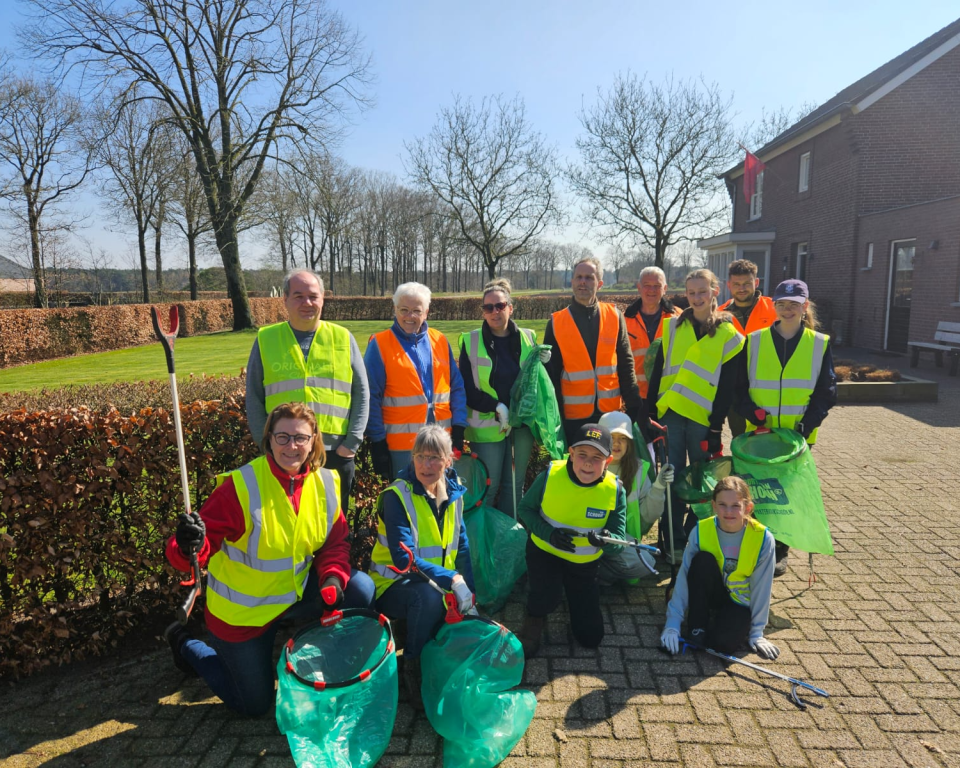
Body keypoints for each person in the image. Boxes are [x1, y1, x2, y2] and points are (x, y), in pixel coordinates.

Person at [163, 402, 377, 717]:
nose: (292, 446)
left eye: (301, 438)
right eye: (283, 437)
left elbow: (335, 543)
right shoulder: (241, 487)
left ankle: (332, 666)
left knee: (359, 587)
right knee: (253, 706)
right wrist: (185, 546)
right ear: (269, 440)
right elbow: (193, 553)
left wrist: (332, 578)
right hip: (243, 616)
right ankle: (185, 644)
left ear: (313, 441)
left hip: (293, 596)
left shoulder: (326, 483)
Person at [367, 424, 475, 710]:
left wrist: (471, 591)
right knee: (427, 599)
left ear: (448, 461)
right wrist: (453, 579)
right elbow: (404, 560)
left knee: (445, 612)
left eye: (434, 458)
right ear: (412, 458)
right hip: (392, 584)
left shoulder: (453, 492)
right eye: (420, 457)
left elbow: (462, 545)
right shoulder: (397, 496)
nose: (426, 465)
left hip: (434, 581)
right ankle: (412, 666)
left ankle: (424, 641)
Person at [735, 279, 837, 576]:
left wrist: (807, 424)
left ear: (805, 307)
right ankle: (758, 544)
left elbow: (827, 391)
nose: (787, 309)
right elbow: (738, 387)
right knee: (759, 492)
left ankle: (780, 549)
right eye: (781, 304)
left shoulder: (819, 343)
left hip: (797, 436)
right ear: (773, 306)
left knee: (786, 495)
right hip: (759, 435)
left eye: (794, 304)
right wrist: (752, 413)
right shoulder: (753, 341)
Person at [246, 269, 369, 513]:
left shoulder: (342, 338)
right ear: (285, 299)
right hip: (285, 452)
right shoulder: (266, 339)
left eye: (313, 296)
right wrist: (267, 445)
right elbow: (254, 397)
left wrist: (351, 443)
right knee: (286, 520)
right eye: (298, 296)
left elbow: (362, 392)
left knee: (334, 524)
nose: (307, 303)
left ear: (323, 299)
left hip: (335, 452)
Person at [646, 269, 744, 561]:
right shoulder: (672, 327)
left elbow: (726, 388)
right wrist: (650, 411)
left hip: (704, 419)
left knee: (703, 484)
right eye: (692, 292)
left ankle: (697, 537)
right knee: (672, 479)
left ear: (715, 292)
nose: (697, 297)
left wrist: (715, 428)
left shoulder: (729, 335)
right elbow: (658, 372)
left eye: (703, 291)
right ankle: (672, 542)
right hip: (672, 414)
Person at [515, 423, 627, 657]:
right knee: (544, 598)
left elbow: (618, 541)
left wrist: (607, 540)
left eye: (597, 458)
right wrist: (549, 534)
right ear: (571, 453)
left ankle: (567, 599)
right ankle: (535, 616)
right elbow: (525, 510)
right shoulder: (550, 475)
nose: (588, 463)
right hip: (545, 552)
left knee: (591, 637)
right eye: (582, 454)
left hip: (583, 564)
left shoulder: (615, 489)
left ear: (608, 461)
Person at [660, 476, 780, 661]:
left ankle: (721, 622)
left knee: (723, 645)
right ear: (714, 505)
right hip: (709, 594)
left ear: (748, 507)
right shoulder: (700, 530)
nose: (728, 511)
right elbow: (684, 576)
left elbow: (761, 587)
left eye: (735, 505)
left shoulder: (763, 538)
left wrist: (757, 632)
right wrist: (672, 624)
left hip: (738, 600)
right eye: (722, 505)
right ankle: (698, 625)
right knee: (702, 561)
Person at [458, 278, 550, 514]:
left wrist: (543, 363)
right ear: (483, 311)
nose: (494, 312)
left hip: (521, 424)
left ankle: (509, 533)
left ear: (510, 307)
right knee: (487, 488)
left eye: (499, 306)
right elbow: (466, 389)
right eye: (488, 307)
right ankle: (481, 535)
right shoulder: (471, 341)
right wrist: (497, 406)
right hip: (487, 426)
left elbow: (535, 382)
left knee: (514, 486)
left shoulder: (528, 337)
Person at [364, 282, 468, 479]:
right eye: (404, 310)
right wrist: (377, 442)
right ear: (395, 309)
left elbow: (456, 387)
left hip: (441, 441)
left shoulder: (440, 340)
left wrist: (459, 427)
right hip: (402, 447)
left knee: (440, 494)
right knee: (406, 497)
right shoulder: (379, 344)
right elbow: (370, 397)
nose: (409, 316)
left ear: (426, 312)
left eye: (416, 311)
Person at [543, 256, 648, 446]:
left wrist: (634, 405)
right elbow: (551, 377)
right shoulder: (557, 322)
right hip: (573, 418)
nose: (583, 282)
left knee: (611, 463)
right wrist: (556, 415)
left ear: (599, 283)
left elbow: (626, 363)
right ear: (572, 281)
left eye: (589, 277)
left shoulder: (614, 316)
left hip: (610, 415)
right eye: (579, 277)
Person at [595, 411, 674, 585]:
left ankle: (600, 571)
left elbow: (647, 517)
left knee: (646, 562)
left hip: (616, 538)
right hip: (585, 533)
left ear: (630, 443)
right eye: (612, 437)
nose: (617, 443)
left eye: (622, 438)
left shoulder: (638, 470)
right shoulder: (587, 463)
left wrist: (659, 487)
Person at [717, 260, 777, 439]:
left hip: (767, 386)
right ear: (729, 285)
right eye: (736, 284)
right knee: (740, 439)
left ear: (756, 282)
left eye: (746, 283)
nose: (741, 288)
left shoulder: (774, 309)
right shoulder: (719, 315)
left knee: (768, 439)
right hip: (734, 389)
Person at [623, 266, 682, 399]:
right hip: (636, 395)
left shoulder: (679, 317)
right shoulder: (624, 320)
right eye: (647, 285)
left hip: (669, 394)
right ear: (639, 287)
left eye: (657, 286)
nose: (652, 290)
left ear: (665, 288)